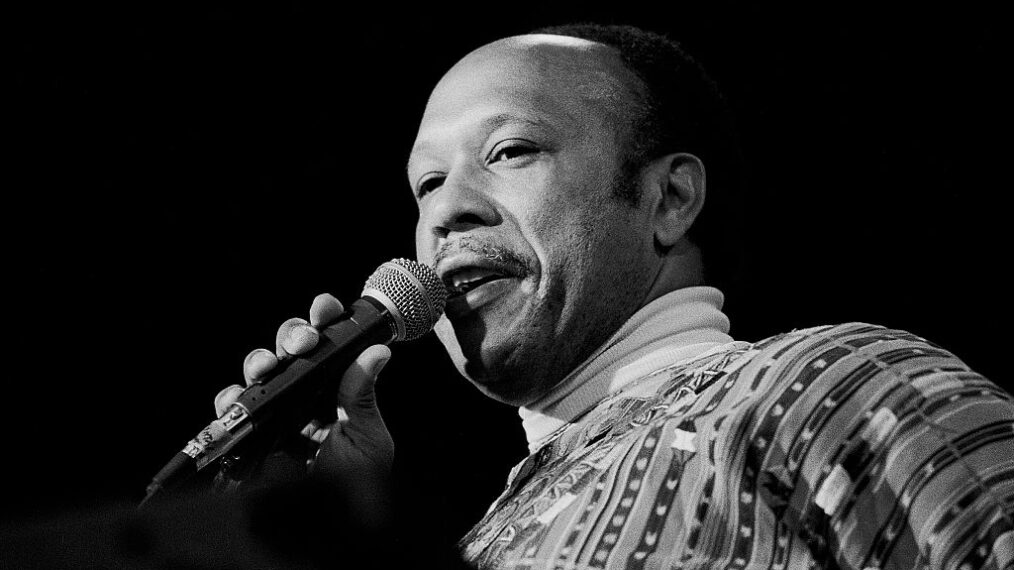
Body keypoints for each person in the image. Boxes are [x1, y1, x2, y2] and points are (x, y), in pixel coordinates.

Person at [213, 24, 1014, 569]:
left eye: (510, 150)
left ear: (670, 200)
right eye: (426, 184)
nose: (445, 211)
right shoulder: (474, 543)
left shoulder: (832, 384)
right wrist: (332, 527)